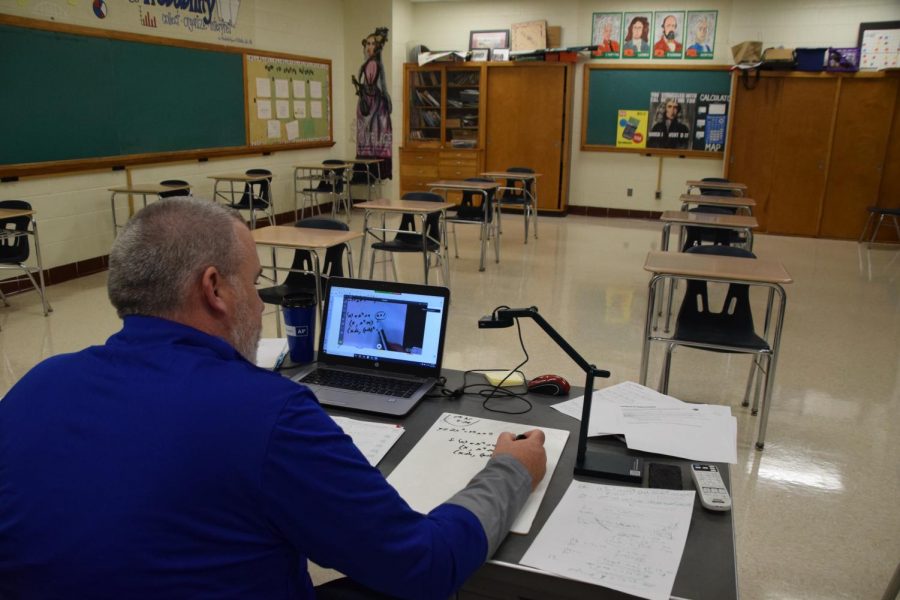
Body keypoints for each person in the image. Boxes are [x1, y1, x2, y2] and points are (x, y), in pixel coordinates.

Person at [0, 198, 547, 599]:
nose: (263, 308)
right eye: (256, 283)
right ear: (214, 289)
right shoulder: (268, 413)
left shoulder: (35, 386)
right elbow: (423, 564)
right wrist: (509, 470)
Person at [353, 27, 393, 179]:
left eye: (372, 44)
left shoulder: (373, 64)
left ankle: (372, 171)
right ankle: (371, 172)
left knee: (374, 136)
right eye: (367, 43)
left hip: (374, 106)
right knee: (370, 137)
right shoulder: (369, 64)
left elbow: (377, 87)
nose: (369, 47)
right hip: (368, 104)